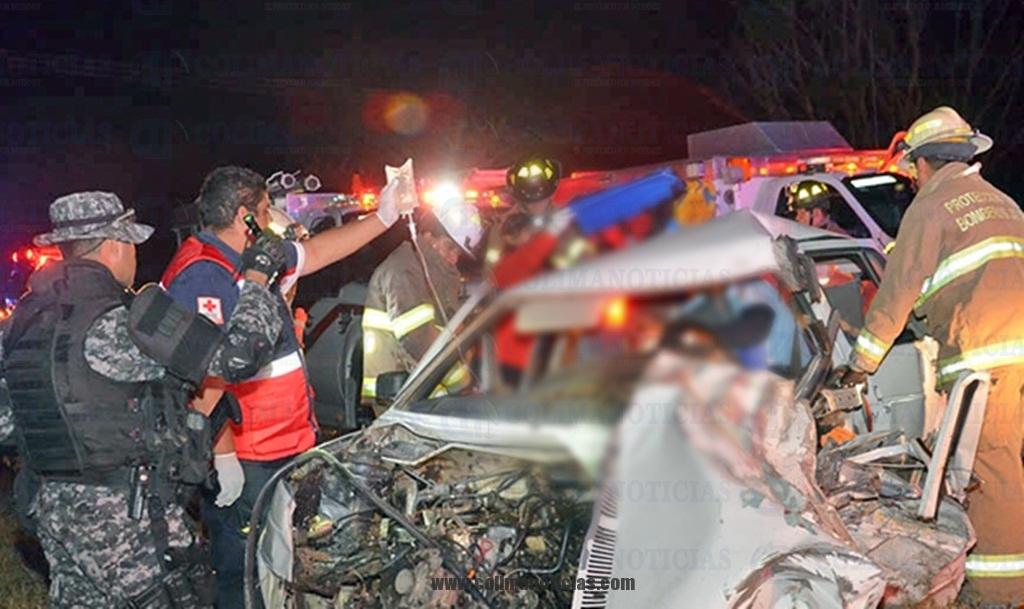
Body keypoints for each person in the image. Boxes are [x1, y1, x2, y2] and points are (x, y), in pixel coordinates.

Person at [0, 191, 286, 608]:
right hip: (128, 526)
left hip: (54, 518)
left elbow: (7, 422)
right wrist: (258, 279)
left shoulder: (20, 327)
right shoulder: (123, 323)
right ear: (115, 245)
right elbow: (239, 354)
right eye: (131, 243)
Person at [160, 165, 407, 609]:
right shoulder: (204, 274)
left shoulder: (252, 258)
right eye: (264, 209)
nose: (273, 217)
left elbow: (313, 254)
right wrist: (224, 453)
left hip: (285, 448)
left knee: (282, 567)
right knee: (243, 573)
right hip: (249, 457)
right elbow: (199, 379)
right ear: (244, 216)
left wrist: (383, 217)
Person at [834, 106, 1024, 608]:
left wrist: (858, 366)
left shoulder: (933, 204)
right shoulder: (1001, 201)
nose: (913, 179)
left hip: (987, 360)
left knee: (989, 473)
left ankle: (999, 592)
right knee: (1010, 464)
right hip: (1015, 354)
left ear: (925, 162)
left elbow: (897, 293)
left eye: (912, 168)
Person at [361, 199, 482, 410]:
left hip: (425, 396)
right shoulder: (405, 270)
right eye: (450, 247)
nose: (454, 258)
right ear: (427, 237)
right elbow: (420, 341)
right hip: (404, 397)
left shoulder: (432, 274)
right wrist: (463, 384)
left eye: (458, 253)